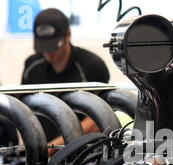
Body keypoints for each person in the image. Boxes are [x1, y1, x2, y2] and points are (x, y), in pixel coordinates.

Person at [21, 8, 111, 146]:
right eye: (44, 47)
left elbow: (99, 119)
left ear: (68, 34)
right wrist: (27, 146)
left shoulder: (92, 66)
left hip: (82, 152)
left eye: (54, 46)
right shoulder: (32, 66)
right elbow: (23, 110)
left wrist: (53, 148)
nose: (49, 53)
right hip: (41, 152)